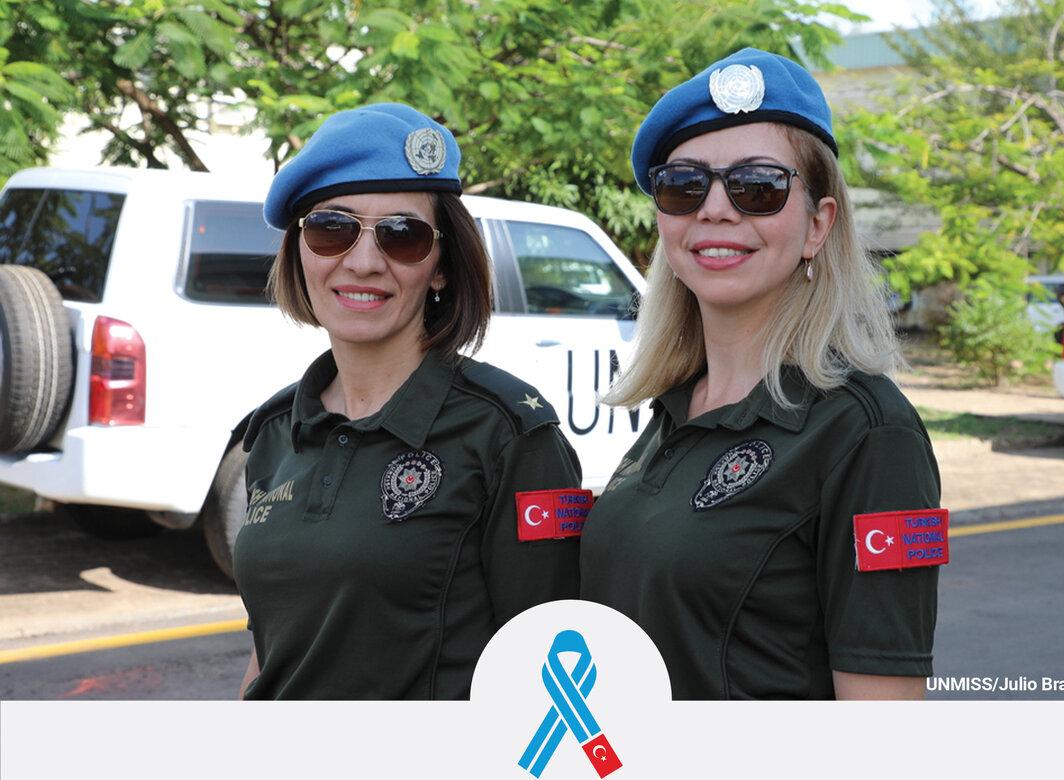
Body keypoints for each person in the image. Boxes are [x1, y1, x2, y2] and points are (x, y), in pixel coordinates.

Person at [580, 49, 946, 700]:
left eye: (757, 187)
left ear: (817, 225)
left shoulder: (869, 434)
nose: (715, 210)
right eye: (684, 186)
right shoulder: (675, 408)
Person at [233, 103, 586, 699]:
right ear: (300, 251)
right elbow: (268, 649)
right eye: (332, 229)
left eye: (403, 235)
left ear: (442, 267)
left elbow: (554, 667)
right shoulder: (274, 431)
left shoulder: (508, 434)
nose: (364, 262)